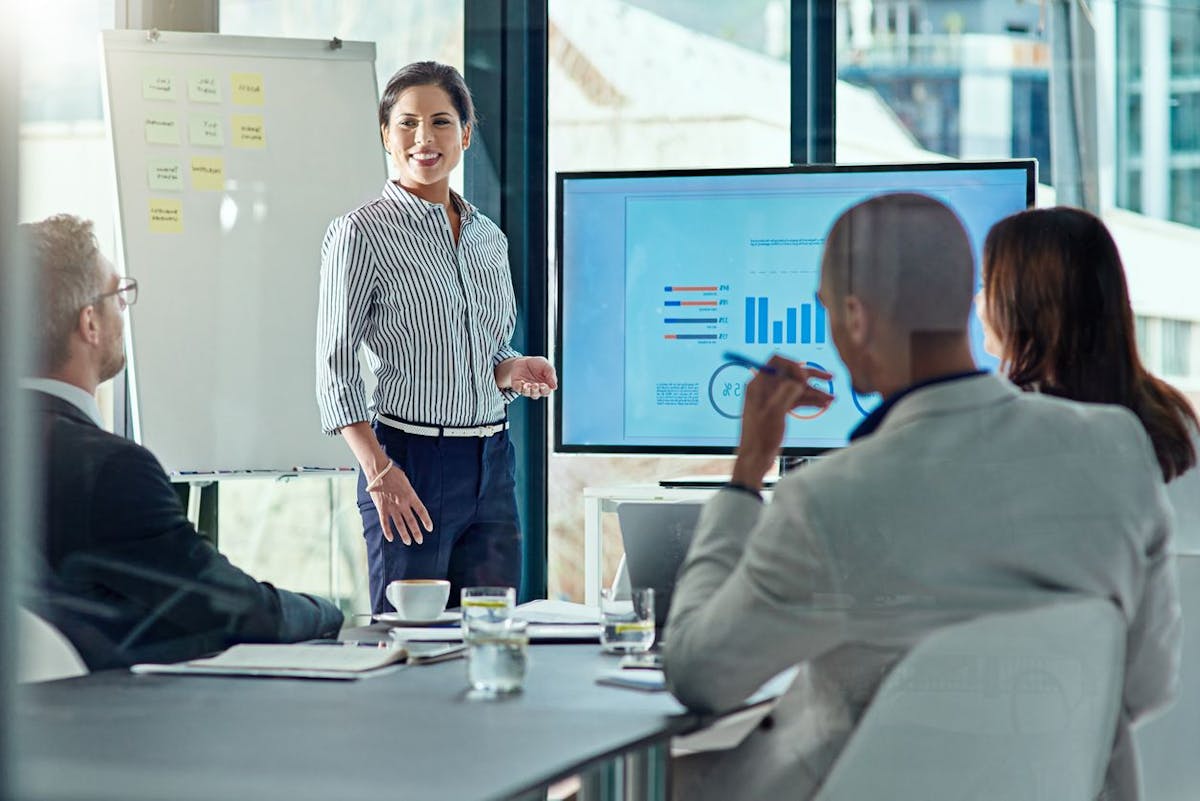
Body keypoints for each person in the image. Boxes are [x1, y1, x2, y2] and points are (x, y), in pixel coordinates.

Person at [663, 193, 1181, 801]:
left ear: (856, 318)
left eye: (826, 311)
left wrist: (748, 469)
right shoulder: (1117, 447)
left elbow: (700, 675)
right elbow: (1146, 683)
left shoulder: (827, 501)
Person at [22, 214, 344, 670]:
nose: (124, 307)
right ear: (89, 323)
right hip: (115, 718)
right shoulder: (110, 469)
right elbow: (236, 610)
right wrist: (329, 612)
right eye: (118, 294)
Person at [316, 61, 556, 614]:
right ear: (385, 135)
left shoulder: (487, 238)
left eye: (442, 122)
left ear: (465, 135)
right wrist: (378, 469)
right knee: (409, 645)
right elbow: (336, 367)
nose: (424, 139)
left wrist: (511, 370)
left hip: (493, 463)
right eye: (407, 123)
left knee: (492, 634)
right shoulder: (361, 232)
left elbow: (487, 348)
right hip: (408, 462)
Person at [979, 206, 1200, 550]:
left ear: (1025, 301)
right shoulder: (1172, 415)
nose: (978, 303)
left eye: (986, 286)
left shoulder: (1011, 426)